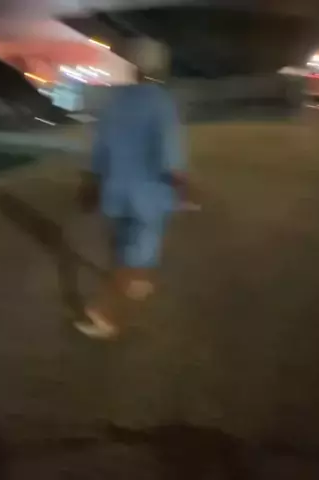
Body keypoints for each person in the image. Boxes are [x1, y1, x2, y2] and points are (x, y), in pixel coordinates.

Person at [76, 38, 194, 339]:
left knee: (121, 245)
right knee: (133, 257)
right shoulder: (162, 103)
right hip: (149, 197)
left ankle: (137, 281)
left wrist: (90, 186)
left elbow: (99, 151)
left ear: (134, 68)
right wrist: (184, 189)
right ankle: (103, 313)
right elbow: (171, 158)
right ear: (161, 68)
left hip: (115, 193)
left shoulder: (115, 101)